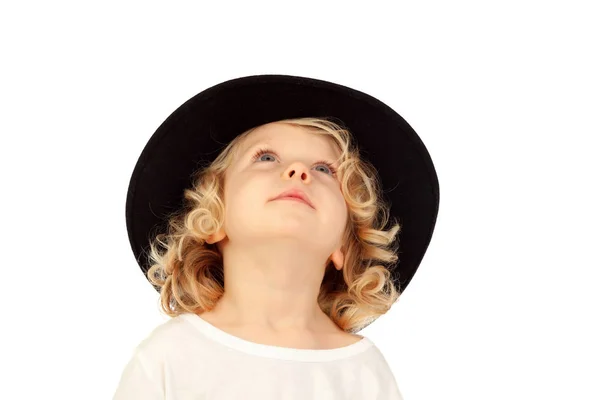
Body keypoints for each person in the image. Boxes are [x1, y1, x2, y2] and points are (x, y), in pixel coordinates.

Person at [115, 74, 440, 399]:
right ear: (212, 219)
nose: (299, 170)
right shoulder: (168, 359)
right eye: (266, 157)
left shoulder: (364, 373)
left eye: (325, 169)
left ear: (344, 243)